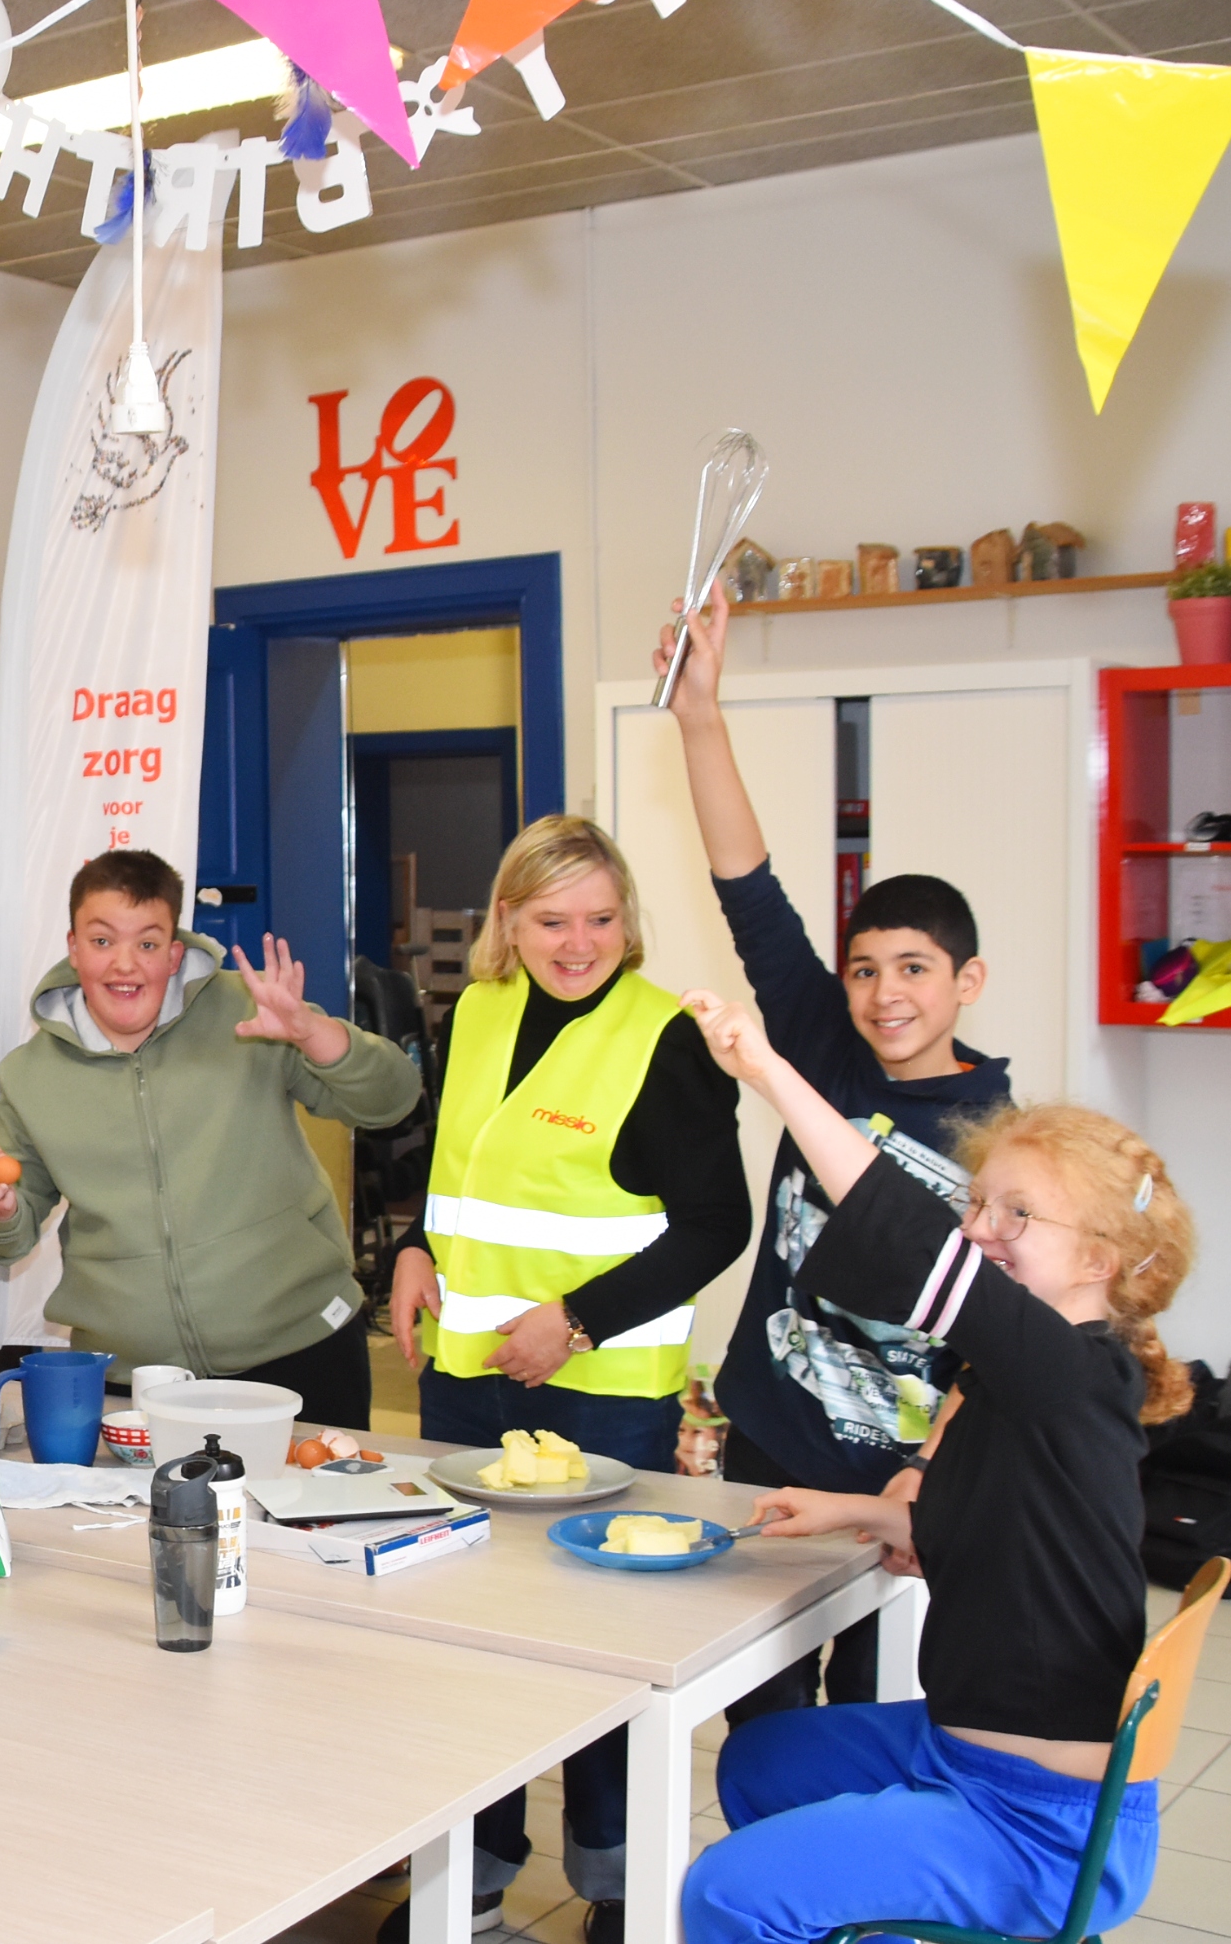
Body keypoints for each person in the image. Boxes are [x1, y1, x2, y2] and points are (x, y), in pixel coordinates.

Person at [678, 992, 1195, 1944]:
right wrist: (860, 1513)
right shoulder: (1023, 1382)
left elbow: (903, 1235)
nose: (982, 1229)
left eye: (1021, 1214)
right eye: (979, 1203)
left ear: (1104, 1261)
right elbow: (1011, 1526)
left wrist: (770, 1071)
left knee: (724, 1893)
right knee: (762, 1762)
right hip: (966, 1749)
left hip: (1031, 1823)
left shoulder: (1065, 1370)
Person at [387, 816, 751, 1943]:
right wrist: (412, 1248)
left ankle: (618, 1891)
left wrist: (579, 1322)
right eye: (551, 918)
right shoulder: (475, 1013)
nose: (577, 940)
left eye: (600, 917)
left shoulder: (662, 1038)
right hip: (467, 1388)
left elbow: (715, 1223)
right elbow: (449, 1167)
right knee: (472, 1645)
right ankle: (477, 1874)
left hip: (599, 1398)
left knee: (599, 1660)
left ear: (628, 921)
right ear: (509, 920)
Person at [656, 583, 1012, 1728]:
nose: (885, 992)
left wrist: (932, 1473)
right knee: (759, 1708)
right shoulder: (821, 1047)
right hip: (772, 1434)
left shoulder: (1007, 1141)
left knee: (867, 1725)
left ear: (968, 982)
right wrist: (698, 714)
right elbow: (748, 888)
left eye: (914, 968)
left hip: (899, 1473)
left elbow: (1005, 1346)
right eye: (866, 967)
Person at [0, 850, 420, 1425]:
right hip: (136, 1380)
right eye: (102, 942)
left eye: (147, 944)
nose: (125, 965)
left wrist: (314, 1033)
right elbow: (7, 1237)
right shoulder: (30, 1074)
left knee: (311, 1517)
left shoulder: (250, 1015)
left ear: (175, 954)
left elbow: (392, 1101)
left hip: (304, 1350)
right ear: (73, 947)